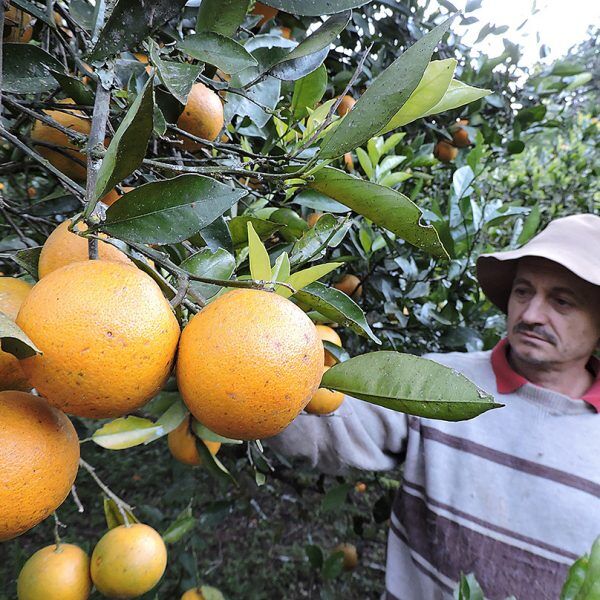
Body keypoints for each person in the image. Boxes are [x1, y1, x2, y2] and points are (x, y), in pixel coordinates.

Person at [268, 213, 600, 600]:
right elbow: (330, 430)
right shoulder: (441, 383)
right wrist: (258, 381)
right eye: (523, 292)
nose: (530, 314)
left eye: (561, 302)